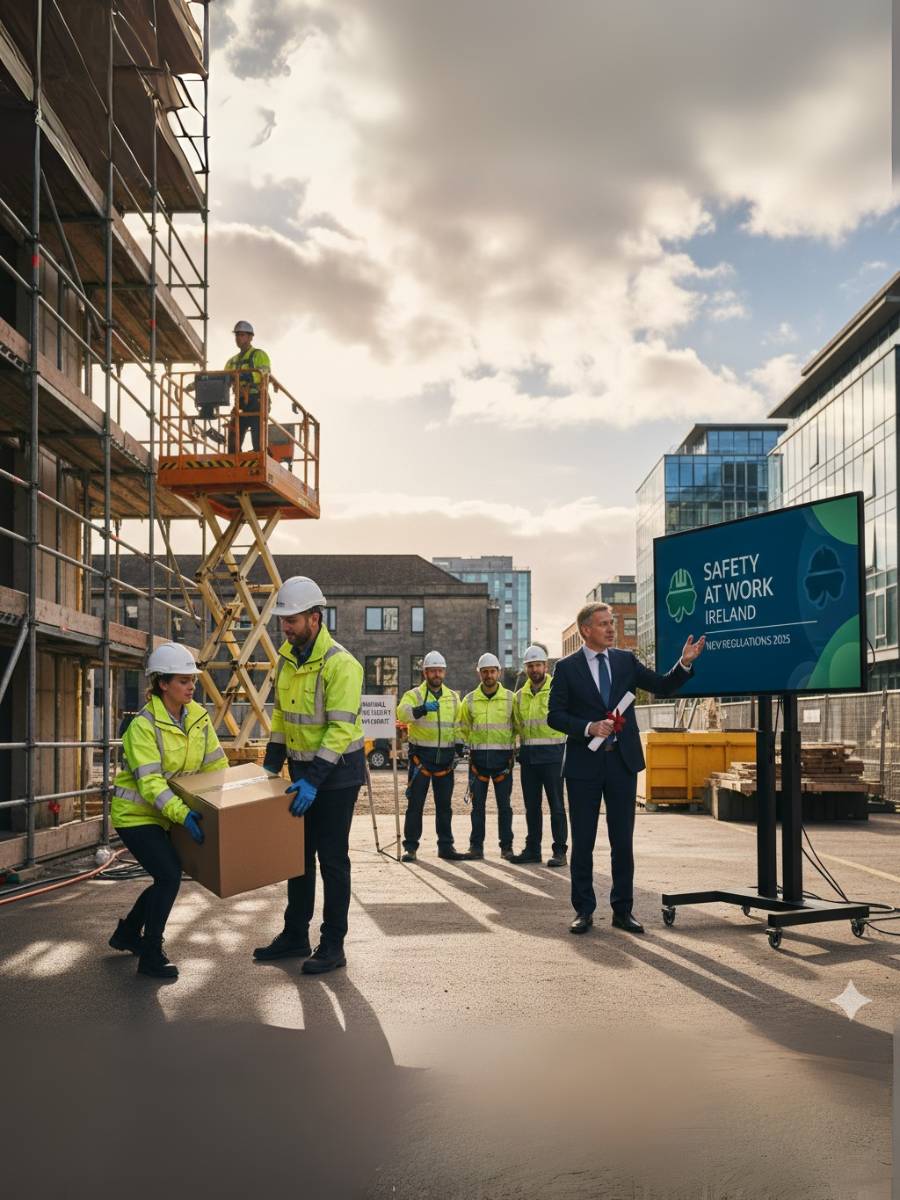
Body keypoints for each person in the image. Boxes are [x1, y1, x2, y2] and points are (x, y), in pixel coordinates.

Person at [548, 603, 705, 936]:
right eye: (603, 624)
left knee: (623, 842)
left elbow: (662, 686)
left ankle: (623, 910)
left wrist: (685, 663)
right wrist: (588, 727)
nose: (611, 629)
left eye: (612, 623)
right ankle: (584, 911)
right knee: (584, 842)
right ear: (585, 630)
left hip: (622, 763)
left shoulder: (624, 661)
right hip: (583, 767)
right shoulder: (566, 668)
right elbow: (554, 716)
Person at [254, 576, 365, 975]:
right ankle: (295, 935)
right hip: (301, 773)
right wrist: (271, 764)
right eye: (282, 620)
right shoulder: (287, 659)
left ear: (315, 619)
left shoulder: (341, 664)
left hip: (337, 778)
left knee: (332, 859)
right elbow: (282, 715)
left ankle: (333, 944)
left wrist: (314, 779)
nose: (285, 627)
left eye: (293, 620)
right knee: (296, 859)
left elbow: (338, 730)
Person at [108, 643, 227, 980]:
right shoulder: (142, 726)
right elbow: (150, 783)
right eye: (183, 681)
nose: (191, 686)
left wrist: (225, 799)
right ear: (162, 684)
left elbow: (216, 764)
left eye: (193, 680)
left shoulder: (198, 718)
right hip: (137, 815)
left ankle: (128, 933)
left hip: (168, 814)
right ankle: (151, 954)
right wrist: (183, 814)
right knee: (169, 875)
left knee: (166, 876)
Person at [397, 650, 468, 862]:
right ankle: (411, 847)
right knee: (415, 805)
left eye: (439, 670)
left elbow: (458, 725)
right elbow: (401, 713)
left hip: (445, 760)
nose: (436, 674)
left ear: (444, 672)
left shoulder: (453, 698)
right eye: (432, 671)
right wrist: (421, 709)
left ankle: (446, 847)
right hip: (421, 759)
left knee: (444, 807)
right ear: (425, 673)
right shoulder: (415, 695)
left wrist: (459, 746)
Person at [510, 644, 568, 867]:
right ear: (526, 668)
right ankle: (533, 850)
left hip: (554, 756)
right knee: (531, 807)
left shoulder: (559, 689)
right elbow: (516, 726)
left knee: (557, 806)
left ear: (546, 666)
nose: (534, 669)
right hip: (529, 758)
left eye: (538, 665)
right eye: (530, 666)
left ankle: (560, 851)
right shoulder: (520, 696)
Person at [459, 653, 517, 860]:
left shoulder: (511, 699)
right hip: (478, 761)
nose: (489, 675)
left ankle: (507, 847)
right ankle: (476, 847)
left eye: (492, 671)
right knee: (477, 807)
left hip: (503, 762)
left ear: (498, 673)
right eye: (485, 672)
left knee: (505, 807)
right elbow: (462, 727)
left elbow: (518, 726)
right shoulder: (469, 700)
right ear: (479, 674)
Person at [225, 319, 271, 452]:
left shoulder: (259, 355)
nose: (238, 338)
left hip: (257, 400)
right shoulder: (232, 361)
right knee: (233, 440)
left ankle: (260, 455)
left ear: (250, 337)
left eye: (242, 335)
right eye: (237, 335)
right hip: (240, 403)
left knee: (258, 440)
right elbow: (223, 378)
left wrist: (246, 376)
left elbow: (264, 373)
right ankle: (234, 464)